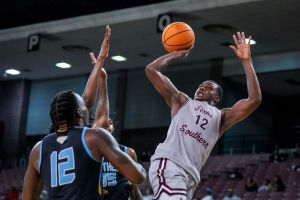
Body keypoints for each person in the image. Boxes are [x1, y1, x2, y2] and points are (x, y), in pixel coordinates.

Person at [145, 32, 261, 200]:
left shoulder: (221, 118)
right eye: (200, 86)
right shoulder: (182, 101)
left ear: (217, 97)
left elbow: (254, 100)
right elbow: (151, 70)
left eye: (208, 87)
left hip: (190, 175)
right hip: (170, 164)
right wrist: (176, 54)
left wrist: (246, 61)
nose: (201, 88)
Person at [22, 90, 146, 200]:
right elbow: (136, 176)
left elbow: (28, 197)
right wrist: (140, 168)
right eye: (85, 107)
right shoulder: (94, 136)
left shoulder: (38, 148)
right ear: (80, 112)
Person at [88, 27, 143, 200]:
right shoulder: (88, 150)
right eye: (103, 121)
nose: (107, 122)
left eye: (110, 122)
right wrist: (103, 80)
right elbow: (101, 118)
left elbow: (134, 189)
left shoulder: (128, 152)